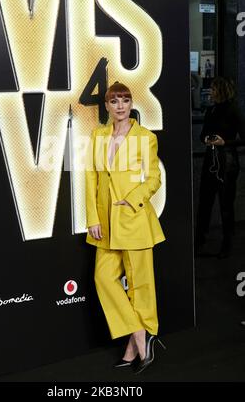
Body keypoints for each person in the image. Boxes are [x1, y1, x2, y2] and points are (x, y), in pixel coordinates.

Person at [85, 82, 166, 374]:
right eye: (114, 100)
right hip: (105, 224)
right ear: (106, 106)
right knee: (103, 278)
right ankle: (141, 334)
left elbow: (154, 178)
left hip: (134, 221)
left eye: (125, 100)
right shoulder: (97, 136)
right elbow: (91, 179)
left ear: (131, 104)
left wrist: (132, 200)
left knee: (141, 287)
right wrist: (92, 218)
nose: (120, 105)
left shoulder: (145, 137)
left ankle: (134, 348)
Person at [195, 77, 245, 258]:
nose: (211, 93)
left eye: (215, 89)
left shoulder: (233, 110)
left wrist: (225, 142)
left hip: (227, 162)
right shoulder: (212, 110)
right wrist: (207, 140)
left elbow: (243, 137)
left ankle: (227, 243)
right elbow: (202, 135)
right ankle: (199, 240)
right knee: (204, 203)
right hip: (211, 160)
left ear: (222, 91)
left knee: (225, 205)